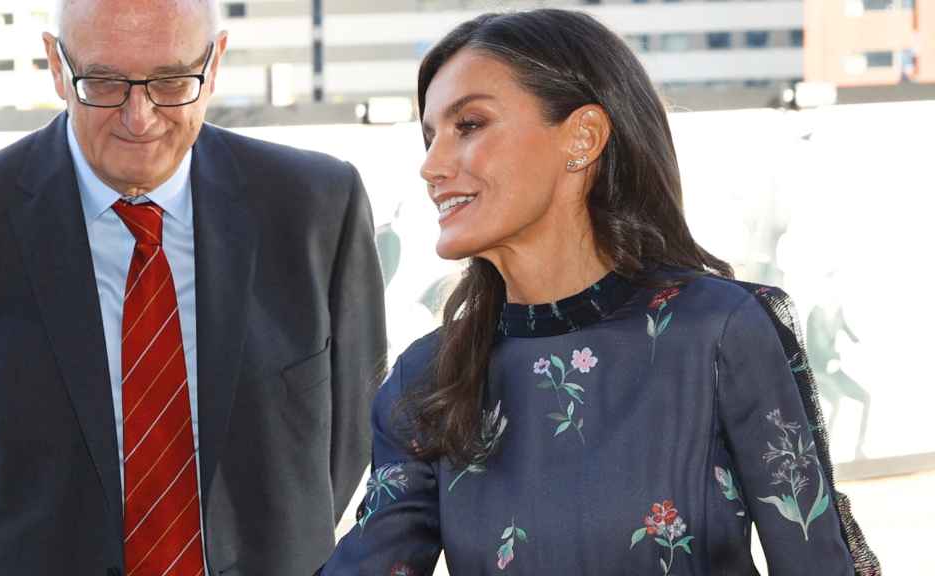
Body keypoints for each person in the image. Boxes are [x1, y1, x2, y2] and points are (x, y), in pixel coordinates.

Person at [321, 9, 878, 576]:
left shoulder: (722, 332)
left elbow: (819, 563)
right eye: (429, 135)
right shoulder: (428, 377)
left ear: (583, 137)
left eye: (469, 125)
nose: (431, 165)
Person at [0, 0, 385, 574]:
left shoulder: (317, 207)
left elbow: (352, 435)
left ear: (214, 65)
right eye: (105, 82)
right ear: (57, 68)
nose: (140, 117)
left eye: (171, 81)